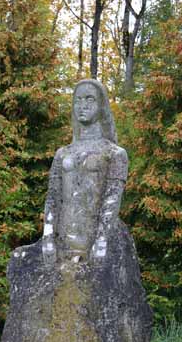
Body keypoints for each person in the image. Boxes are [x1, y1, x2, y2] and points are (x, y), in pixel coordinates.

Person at [42, 79, 128, 265]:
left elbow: (111, 202)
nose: (83, 105)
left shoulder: (114, 154)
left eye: (90, 99)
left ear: (102, 105)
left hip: (93, 244)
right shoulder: (62, 153)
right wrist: (47, 237)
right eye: (78, 100)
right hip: (63, 242)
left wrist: (102, 241)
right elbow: (53, 197)